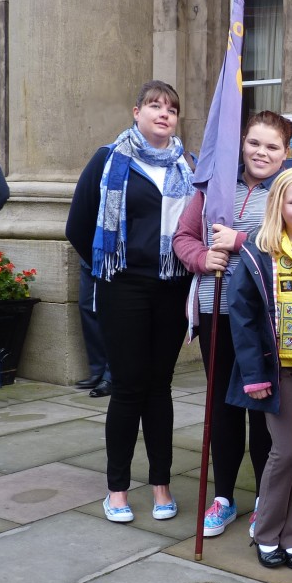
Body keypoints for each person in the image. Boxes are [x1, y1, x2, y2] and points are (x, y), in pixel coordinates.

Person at [65, 80, 195, 523]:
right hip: (124, 288)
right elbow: (78, 226)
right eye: (155, 106)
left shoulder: (187, 166)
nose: (164, 113)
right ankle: (117, 488)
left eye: (171, 108)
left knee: (159, 387)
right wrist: (112, 266)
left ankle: (161, 483)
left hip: (172, 287)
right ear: (136, 111)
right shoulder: (110, 158)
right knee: (127, 388)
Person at [173, 110, 292, 538]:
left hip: (264, 318)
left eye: (272, 146)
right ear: (242, 144)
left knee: (261, 406)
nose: (261, 153)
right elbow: (183, 238)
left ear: (286, 153)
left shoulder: (289, 192)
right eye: (254, 143)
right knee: (221, 408)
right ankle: (224, 496)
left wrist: (239, 241)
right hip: (216, 311)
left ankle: (266, 498)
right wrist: (205, 257)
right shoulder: (214, 190)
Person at [226, 166, 292, 570]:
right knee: (287, 450)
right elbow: (242, 318)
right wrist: (253, 375)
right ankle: (266, 532)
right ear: (278, 205)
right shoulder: (259, 253)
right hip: (276, 371)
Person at [75, 260, 113, 397]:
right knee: (86, 305)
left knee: (113, 311)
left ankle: (111, 376)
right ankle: (98, 369)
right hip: (90, 251)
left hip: (115, 253)